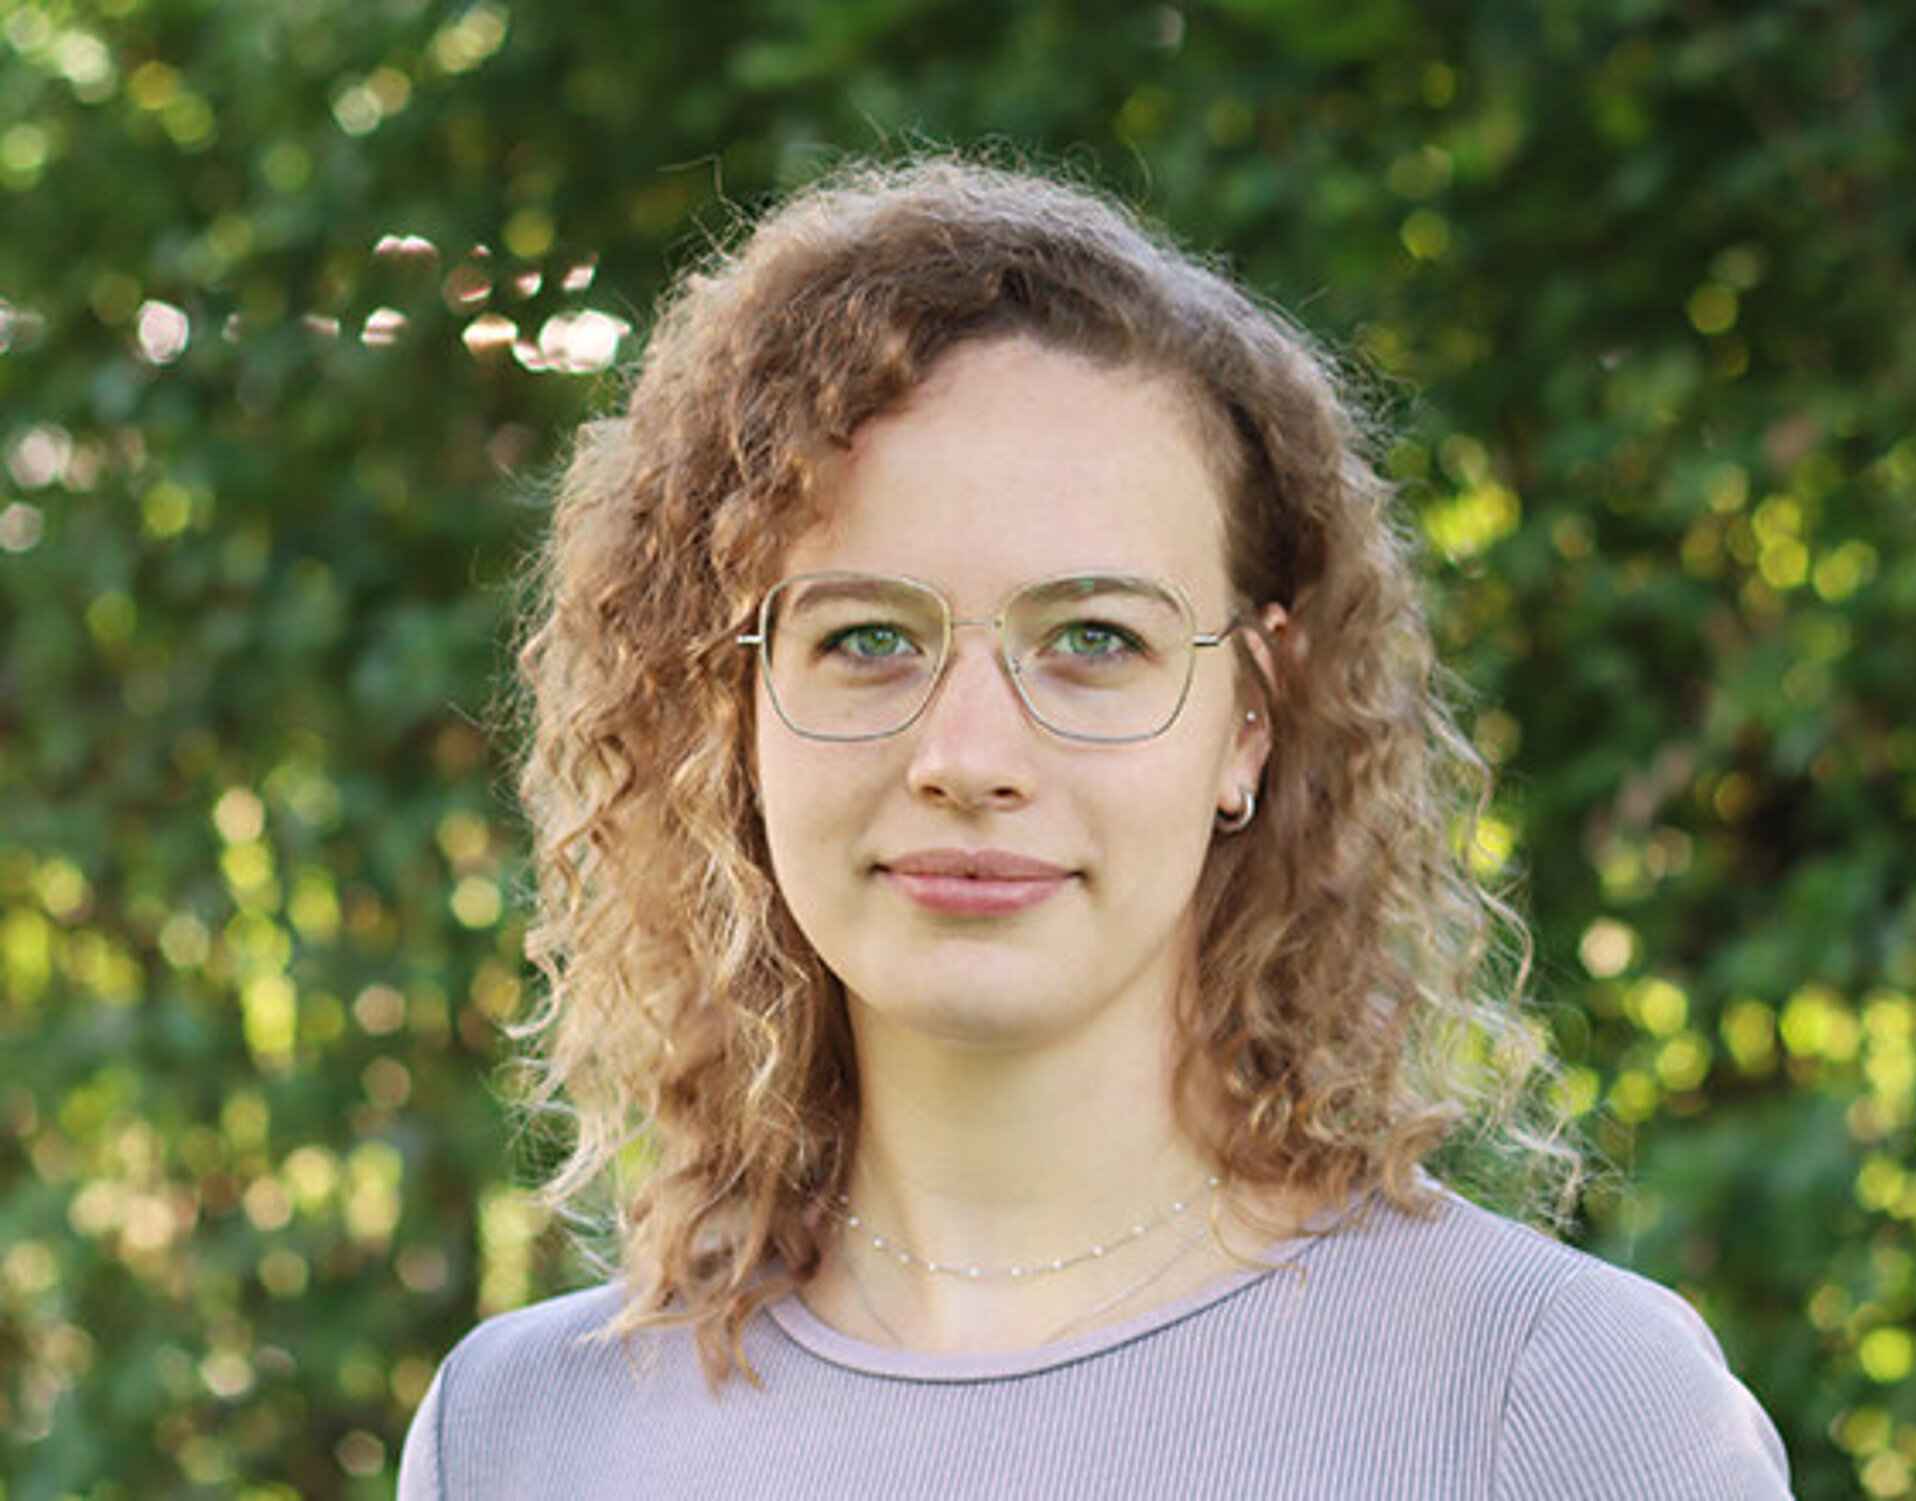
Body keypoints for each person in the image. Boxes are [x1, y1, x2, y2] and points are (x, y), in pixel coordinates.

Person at [398, 157, 1792, 1498]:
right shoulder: (519, 1436)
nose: (969, 756)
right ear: (733, 706)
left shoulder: (1550, 1405)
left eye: (1093, 639)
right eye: (870, 636)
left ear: (1250, 714)